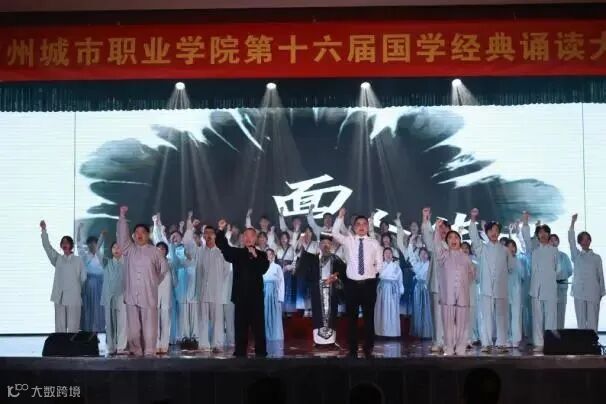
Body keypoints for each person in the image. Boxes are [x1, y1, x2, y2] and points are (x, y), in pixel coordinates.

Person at [330, 208, 382, 358]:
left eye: (364, 224)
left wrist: (372, 274)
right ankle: (352, 349)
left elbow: (379, 264)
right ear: (353, 227)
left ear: (368, 226)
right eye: (358, 224)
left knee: (368, 318)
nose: (361, 227)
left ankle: (368, 348)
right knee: (351, 319)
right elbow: (335, 233)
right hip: (352, 285)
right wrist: (340, 217)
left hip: (369, 284)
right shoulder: (349, 240)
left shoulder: (374, 243)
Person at [117, 205, 169, 356]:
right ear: (133, 235)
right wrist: (122, 216)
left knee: (149, 326)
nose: (139, 235)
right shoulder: (129, 249)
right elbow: (122, 237)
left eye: (143, 232)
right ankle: (136, 350)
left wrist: (154, 281)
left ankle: (149, 350)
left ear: (148, 235)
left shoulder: (155, 251)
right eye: (137, 233)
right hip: (132, 294)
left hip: (148, 294)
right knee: (133, 328)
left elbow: (164, 268)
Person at [216, 219, 269, 357]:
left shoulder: (262, 255)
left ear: (255, 238)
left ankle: (261, 353)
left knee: (258, 328)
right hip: (240, 297)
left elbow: (263, 269)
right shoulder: (238, 253)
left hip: (256, 298)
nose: (247, 238)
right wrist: (221, 230)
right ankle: (240, 352)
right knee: (240, 328)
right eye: (245, 236)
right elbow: (223, 246)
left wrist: (255, 255)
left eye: (250, 236)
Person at [469, 208, 513, 352]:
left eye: (496, 230)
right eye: (491, 231)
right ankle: (486, 343)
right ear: (487, 233)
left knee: (501, 317)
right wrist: (473, 220)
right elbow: (474, 238)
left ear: (499, 233)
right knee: (486, 317)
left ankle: (502, 343)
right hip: (486, 289)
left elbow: (511, 267)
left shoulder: (505, 250)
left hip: (501, 289)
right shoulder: (482, 249)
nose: (494, 233)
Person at [434, 221, 475, 356]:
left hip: (462, 296)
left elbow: (472, 274)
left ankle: (461, 347)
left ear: (460, 241)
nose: (453, 240)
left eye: (456, 237)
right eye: (450, 238)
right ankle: (449, 347)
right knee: (448, 323)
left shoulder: (466, 258)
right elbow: (437, 245)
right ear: (446, 241)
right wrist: (437, 230)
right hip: (448, 297)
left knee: (463, 323)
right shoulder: (443, 255)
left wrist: (463, 285)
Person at [521, 211, 560, 352]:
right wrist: (525, 222)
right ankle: (538, 343)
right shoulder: (533, 249)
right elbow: (526, 238)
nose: (543, 235)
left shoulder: (554, 251)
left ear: (549, 234)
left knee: (551, 317)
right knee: (537, 317)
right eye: (540, 233)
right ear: (537, 235)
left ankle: (550, 342)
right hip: (536, 288)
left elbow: (557, 268)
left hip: (550, 287)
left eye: (545, 232)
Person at [297, 235, 345, 345]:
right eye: (323, 243)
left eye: (328, 243)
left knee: (331, 314)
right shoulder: (314, 259)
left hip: (331, 289)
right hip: (317, 289)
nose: (326, 246)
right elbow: (306, 274)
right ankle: (318, 340)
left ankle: (331, 340)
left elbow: (343, 273)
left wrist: (335, 278)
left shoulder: (336, 259)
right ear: (319, 245)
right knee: (318, 314)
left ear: (331, 245)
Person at [40, 220, 86, 333]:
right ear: (61, 246)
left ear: (71, 245)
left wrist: (76, 290)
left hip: (74, 297)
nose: (65, 244)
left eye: (67, 242)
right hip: (59, 296)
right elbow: (47, 247)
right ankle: (60, 343)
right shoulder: (58, 259)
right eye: (63, 242)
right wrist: (44, 230)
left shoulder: (78, 260)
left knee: (73, 326)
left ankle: (72, 343)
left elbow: (83, 277)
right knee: (60, 327)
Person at [197, 225, 231, 351]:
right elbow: (199, 272)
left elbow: (226, 271)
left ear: (215, 235)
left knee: (217, 320)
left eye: (211, 233)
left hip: (217, 291)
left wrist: (219, 287)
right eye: (206, 233)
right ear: (203, 236)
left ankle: (217, 344)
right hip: (203, 291)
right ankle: (203, 344)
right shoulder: (200, 251)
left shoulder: (221, 252)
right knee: (203, 319)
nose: (208, 235)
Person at [569, 214, 605, 331]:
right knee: (581, 321)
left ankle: (593, 340)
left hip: (593, 292)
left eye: (587, 239)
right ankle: (581, 341)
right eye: (582, 239)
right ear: (579, 242)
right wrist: (572, 223)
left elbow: (600, 276)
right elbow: (571, 241)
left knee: (593, 320)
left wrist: (601, 292)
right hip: (579, 292)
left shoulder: (596, 257)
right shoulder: (576, 255)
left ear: (590, 241)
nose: (585, 241)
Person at [422, 207, 450, 352]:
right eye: (440, 228)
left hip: (451, 285)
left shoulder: (453, 244)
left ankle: (448, 341)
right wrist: (426, 220)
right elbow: (427, 237)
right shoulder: (434, 244)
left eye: (445, 228)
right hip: (436, 283)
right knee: (437, 314)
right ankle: (437, 341)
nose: (443, 230)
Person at [77, 223, 106, 333]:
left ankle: (97, 328)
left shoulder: (100, 256)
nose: (92, 246)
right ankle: (88, 329)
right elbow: (79, 245)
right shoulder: (85, 256)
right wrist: (79, 230)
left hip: (100, 286)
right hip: (89, 285)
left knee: (99, 308)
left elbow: (101, 243)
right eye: (90, 244)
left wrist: (102, 235)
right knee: (89, 307)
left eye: (94, 244)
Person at [101, 241, 127, 355]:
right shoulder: (107, 262)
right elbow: (98, 253)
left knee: (122, 322)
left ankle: (121, 346)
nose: (116, 249)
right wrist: (102, 238)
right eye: (114, 247)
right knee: (109, 322)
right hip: (108, 296)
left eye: (118, 247)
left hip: (122, 295)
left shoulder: (127, 263)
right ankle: (111, 346)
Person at [374, 248, 404, 337]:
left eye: (390, 253)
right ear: (383, 256)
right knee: (382, 310)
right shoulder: (380, 266)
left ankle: (392, 333)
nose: (388, 255)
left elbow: (400, 280)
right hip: (382, 289)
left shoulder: (396, 266)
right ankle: (381, 332)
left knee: (392, 310)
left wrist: (400, 290)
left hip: (392, 290)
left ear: (392, 255)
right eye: (386, 253)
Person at [549, 234, 574, 329]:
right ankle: (550, 334)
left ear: (558, 242)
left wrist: (562, 276)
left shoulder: (564, 256)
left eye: (555, 240)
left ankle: (560, 332)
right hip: (550, 286)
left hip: (562, 286)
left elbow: (570, 271)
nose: (553, 242)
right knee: (550, 312)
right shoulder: (546, 257)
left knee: (561, 311)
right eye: (551, 240)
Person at [408, 246, 433, 339]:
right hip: (418, 288)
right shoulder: (417, 264)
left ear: (428, 255)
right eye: (421, 253)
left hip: (427, 288)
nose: (423, 255)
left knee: (427, 308)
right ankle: (418, 331)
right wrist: (411, 244)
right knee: (418, 308)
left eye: (425, 253)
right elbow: (411, 257)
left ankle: (427, 332)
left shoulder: (430, 265)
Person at [294, 226, 319, 316]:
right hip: (302, 270)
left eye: (309, 232)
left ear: (312, 233)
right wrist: (300, 241)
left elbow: (317, 255)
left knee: (311, 290)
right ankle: (305, 309)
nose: (307, 234)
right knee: (303, 290)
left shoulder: (315, 244)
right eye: (306, 232)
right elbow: (296, 252)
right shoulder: (300, 242)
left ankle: (312, 309)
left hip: (312, 269)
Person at [263, 249, 285, 342]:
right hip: (265, 293)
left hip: (274, 294)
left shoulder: (277, 267)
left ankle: (276, 335)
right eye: (267, 255)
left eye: (270, 254)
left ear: (273, 256)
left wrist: (280, 297)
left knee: (275, 315)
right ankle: (266, 335)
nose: (268, 256)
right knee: (265, 315)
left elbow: (281, 282)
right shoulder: (262, 266)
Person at [461, 241, 480, 346]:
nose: (465, 250)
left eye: (466, 248)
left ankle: (471, 338)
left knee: (471, 316)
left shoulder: (474, 263)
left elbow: (478, 279)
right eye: (462, 248)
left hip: (471, 291)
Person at [155, 241, 172, 354]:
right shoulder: (152, 263)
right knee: (155, 319)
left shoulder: (170, 263)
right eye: (158, 248)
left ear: (166, 251)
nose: (161, 250)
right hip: (155, 294)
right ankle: (156, 344)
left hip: (166, 295)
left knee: (165, 318)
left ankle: (164, 345)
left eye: (163, 249)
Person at [275, 231, 297, 315]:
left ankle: (288, 310)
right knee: (280, 290)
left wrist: (291, 267)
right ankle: (280, 309)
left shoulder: (292, 248)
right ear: (280, 239)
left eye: (285, 238)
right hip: (279, 271)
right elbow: (274, 260)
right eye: (282, 238)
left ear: (288, 239)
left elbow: (295, 260)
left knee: (288, 290)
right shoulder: (277, 248)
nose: (283, 240)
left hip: (289, 272)